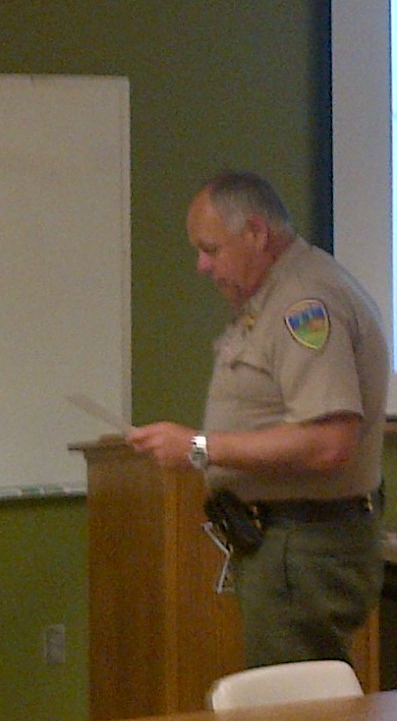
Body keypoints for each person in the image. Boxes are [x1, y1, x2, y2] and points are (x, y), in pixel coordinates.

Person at [128, 171, 388, 668]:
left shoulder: (304, 302)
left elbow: (331, 441)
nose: (202, 266)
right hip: (287, 545)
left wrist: (199, 447)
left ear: (256, 233)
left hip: (304, 547)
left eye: (211, 249)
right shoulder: (271, 296)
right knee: (291, 713)